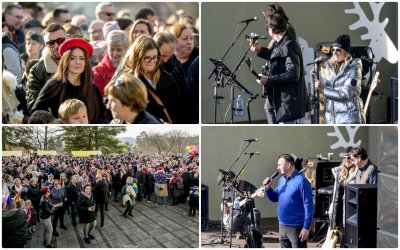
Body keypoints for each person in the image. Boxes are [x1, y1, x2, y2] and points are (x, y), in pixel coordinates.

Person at [32, 38, 105, 123]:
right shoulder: (54, 85)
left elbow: (102, 118)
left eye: (81, 58)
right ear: (65, 61)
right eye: (72, 58)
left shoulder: (93, 89)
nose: (78, 62)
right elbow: (36, 114)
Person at [114, 35, 184, 123]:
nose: (152, 61)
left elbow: (180, 109)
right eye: (147, 58)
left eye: (155, 57)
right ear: (137, 57)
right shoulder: (126, 81)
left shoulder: (167, 77)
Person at [253, 13, 308, 124]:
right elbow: (276, 59)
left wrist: (268, 80)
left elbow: (293, 74)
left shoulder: (289, 45)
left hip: (287, 103)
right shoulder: (281, 43)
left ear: (271, 30)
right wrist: (259, 50)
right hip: (282, 101)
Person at [263, 154, 314, 248]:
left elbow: (309, 206)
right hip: (282, 226)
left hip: (296, 227)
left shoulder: (302, 181)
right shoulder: (282, 180)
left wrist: (306, 227)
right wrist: (268, 189)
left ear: (288, 165)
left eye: (280, 164)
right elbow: (275, 198)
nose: (278, 167)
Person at [314, 34, 365, 124]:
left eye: (338, 50)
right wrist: (317, 66)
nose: (335, 53)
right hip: (332, 119)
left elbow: (345, 95)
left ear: (346, 52)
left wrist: (323, 89)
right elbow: (319, 85)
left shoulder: (354, 67)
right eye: (333, 50)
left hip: (349, 120)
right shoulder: (329, 67)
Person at [328, 147, 357, 247]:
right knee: (339, 234)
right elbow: (336, 192)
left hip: (351, 208)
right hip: (340, 207)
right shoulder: (340, 171)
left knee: (349, 235)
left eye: (349, 158)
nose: (346, 160)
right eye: (344, 158)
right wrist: (332, 208)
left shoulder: (357, 172)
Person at [93, 30, 129, 96]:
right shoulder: (98, 71)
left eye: (119, 50)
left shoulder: (132, 68)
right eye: (111, 49)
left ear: (126, 49)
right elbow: (101, 97)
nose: (115, 54)